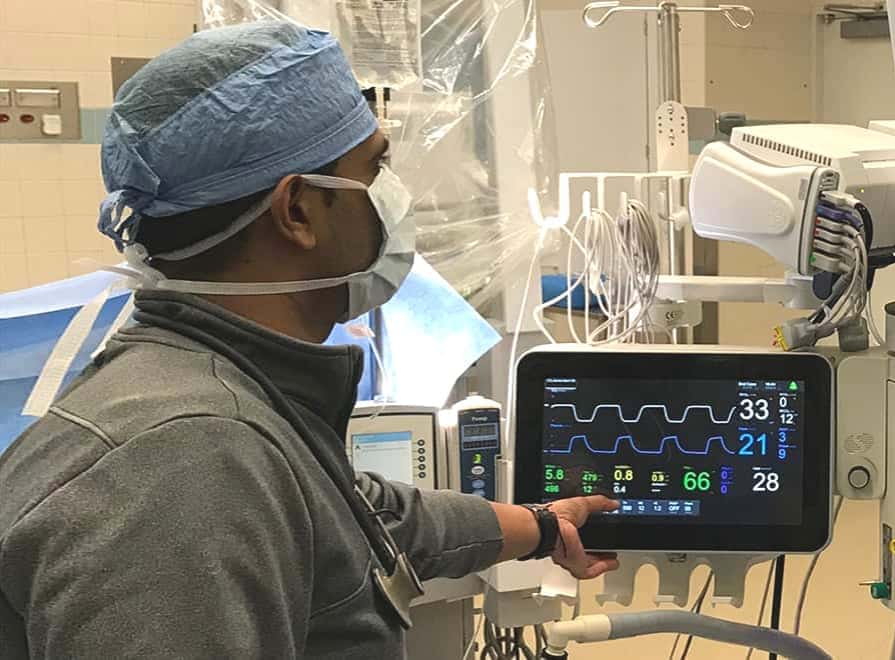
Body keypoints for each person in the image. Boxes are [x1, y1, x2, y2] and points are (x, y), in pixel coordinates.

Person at [0, 22, 619, 658]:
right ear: (297, 211)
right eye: (375, 170)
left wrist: (544, 527)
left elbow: (365, 517)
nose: (392, 200)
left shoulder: (223, 391)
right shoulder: (185, 462)